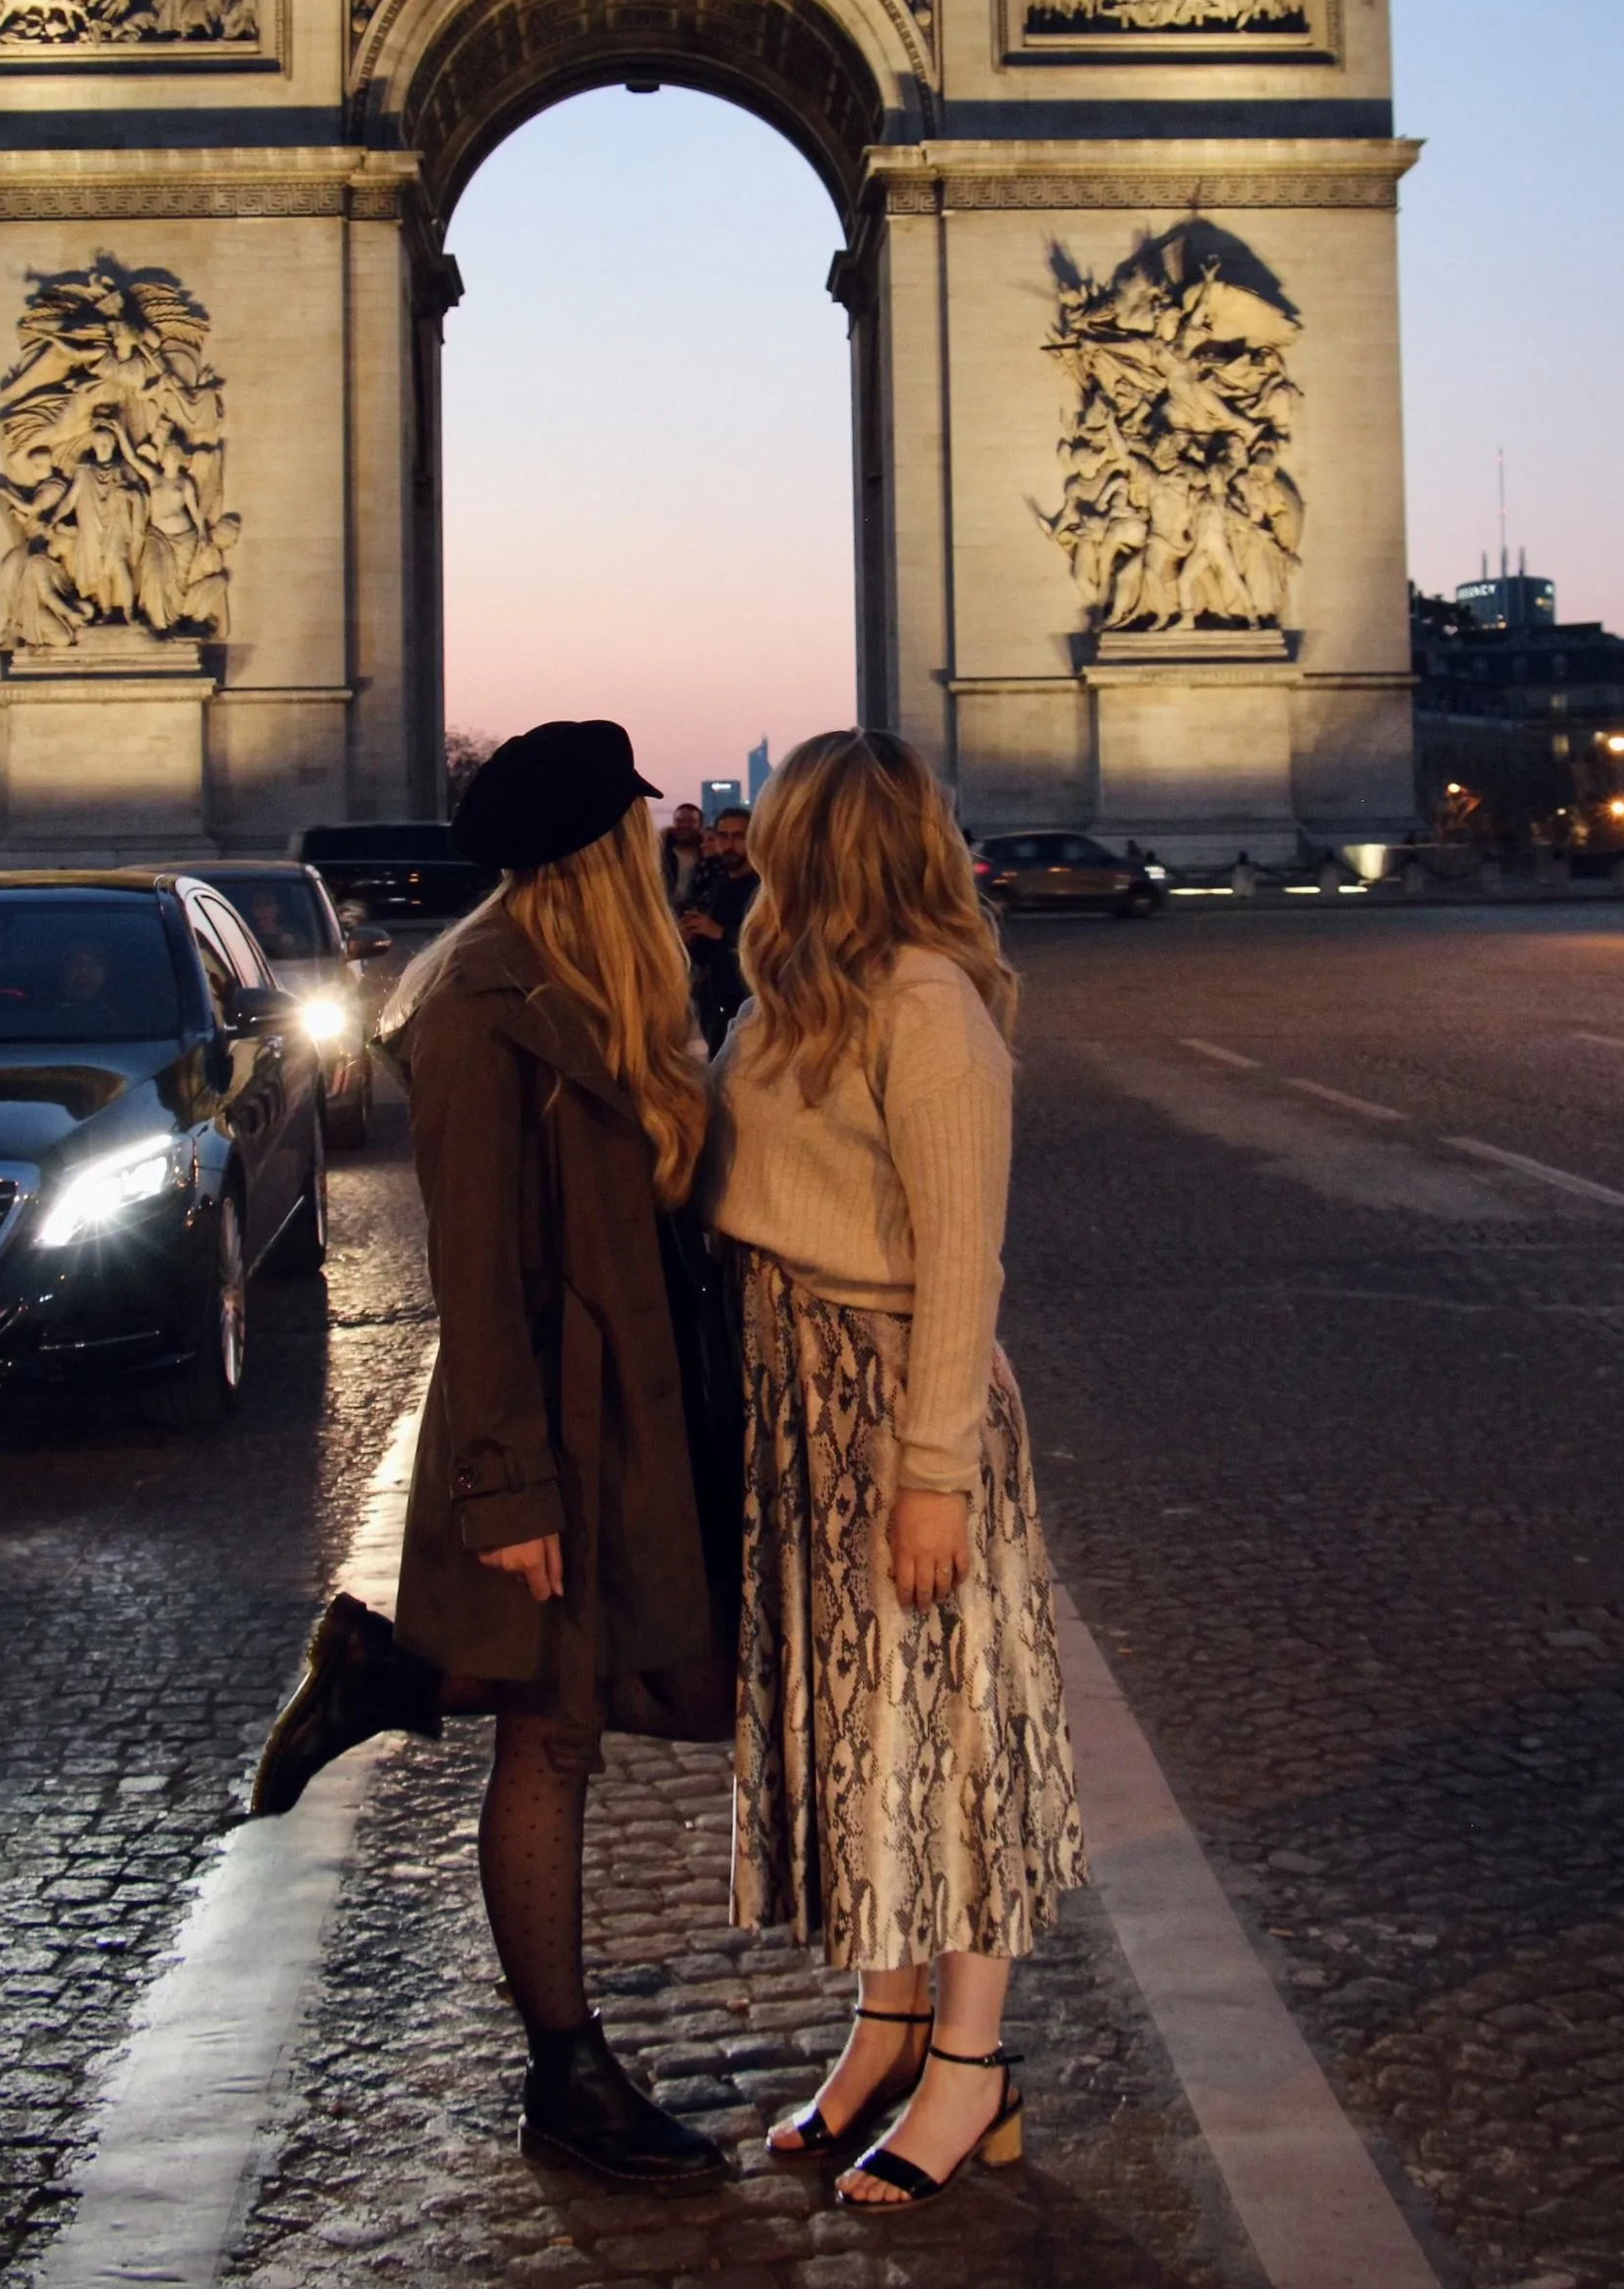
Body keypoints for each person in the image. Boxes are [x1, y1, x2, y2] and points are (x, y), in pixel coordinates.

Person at [248, 720, 734, 2189]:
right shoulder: (468, 1004)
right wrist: (507, 1491)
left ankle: (401, 1670)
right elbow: (469, 1273)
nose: (656, 845)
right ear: (593, 849)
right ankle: (565, 2072)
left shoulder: (610, 981)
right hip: (555, 1422)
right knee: (558, 1727)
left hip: (651, 1405)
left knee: (701, 1689)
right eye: (633, 828)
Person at [708, 729, 1084, 2212]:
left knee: (955, 1742)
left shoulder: (930, 1010)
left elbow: (958, 1256)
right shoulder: (790, 999)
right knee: (869, 1744)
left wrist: (932, 1468)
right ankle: (887, 2020)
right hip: (802, 1412)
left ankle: (973, 2062)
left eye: (774, 826)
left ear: (814, 841)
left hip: (890, 1416)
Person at [681, 804, 758, 1051]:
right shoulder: (718, 886)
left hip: (751, 1004)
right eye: (723, 836)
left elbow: (774, 942)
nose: (729, 844)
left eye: (738, 836)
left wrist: (721, 932)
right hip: (715, 1005)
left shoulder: (765, 889)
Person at [660, 801, 708, 914]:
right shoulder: (659, 853)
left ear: (700, 825)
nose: (684, 825)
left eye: (691, 821)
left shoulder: (707, 857)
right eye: (680, 821)